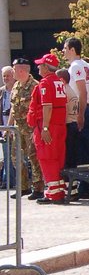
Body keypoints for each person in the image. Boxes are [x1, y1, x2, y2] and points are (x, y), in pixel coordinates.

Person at [26, 53, 68, 203]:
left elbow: (47, 107)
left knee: (47, 158)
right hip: (59, 125)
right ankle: (59, 190)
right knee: (57, 158)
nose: (38, 66)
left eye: (40, 64)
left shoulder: (45, 83)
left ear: (45, 67)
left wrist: (44, 128)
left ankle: (53, 193)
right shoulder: (59, 82)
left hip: (48, 125)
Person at [63, 36, 89, 197]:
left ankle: (84, 188)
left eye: (65, 48)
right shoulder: (87, 65)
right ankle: (88, 187)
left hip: (80, 110)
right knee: (88, 148)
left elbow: (82, 92)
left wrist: (81, 114)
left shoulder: (75, 67)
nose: (63, 51)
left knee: (81, 149)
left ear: (72, 49)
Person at [8, 56, 43, 200]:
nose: (12, 71)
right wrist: (9, 126)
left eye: (14, 69)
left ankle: (38, 187)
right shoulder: (16, 86)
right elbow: (13, 108)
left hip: (31, 128)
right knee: (16, 157)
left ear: (22, 70)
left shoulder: (35, 86)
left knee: (34, 158)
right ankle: (23, 186)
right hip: (18, 128)